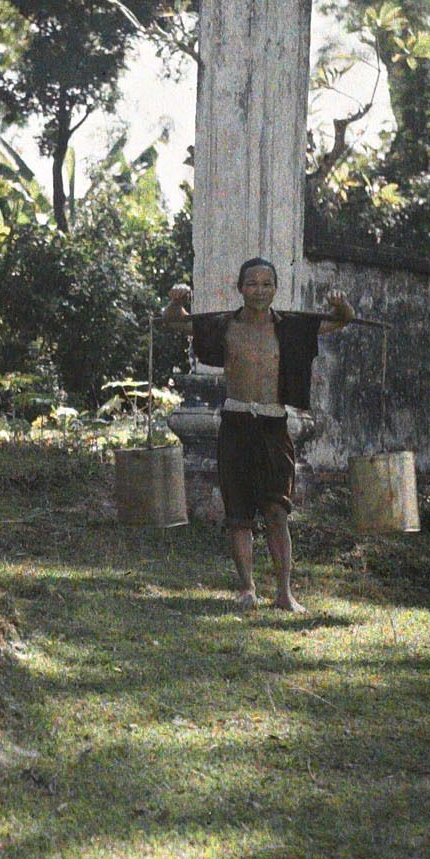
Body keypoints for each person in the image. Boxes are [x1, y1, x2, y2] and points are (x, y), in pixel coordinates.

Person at [162, 258, 355, 613]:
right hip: (235, 423)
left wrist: (341, 304)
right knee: (238, 513)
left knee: (277, 511)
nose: (260, 290)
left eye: (267, 284)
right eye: (252, 283)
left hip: (273, 424)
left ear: (275, 289)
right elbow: (176, 323)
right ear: (240, 288)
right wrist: (176, 301)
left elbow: (341, 321)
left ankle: (284, 593)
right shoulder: (224, 325)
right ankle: (247, 588)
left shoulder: (291, 329)